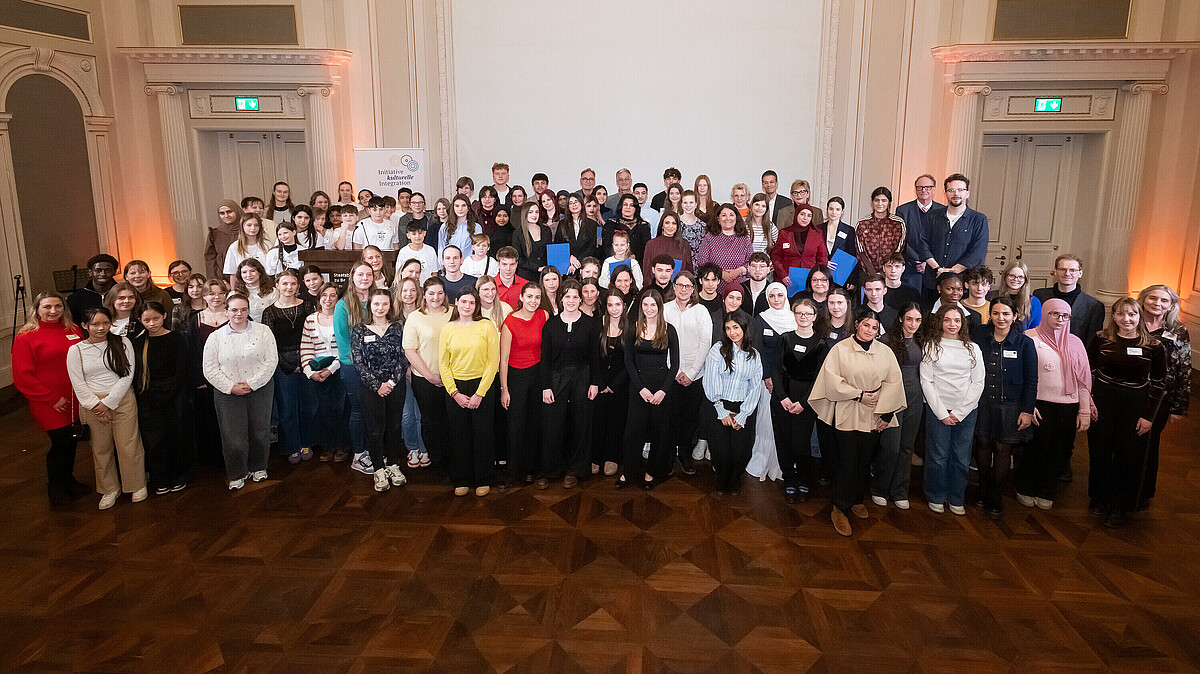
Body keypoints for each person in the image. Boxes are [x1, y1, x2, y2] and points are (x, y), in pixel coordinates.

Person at [808, 309, 905, 536]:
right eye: (866, 325)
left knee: (865, 460)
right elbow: (831, 380)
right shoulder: (840, 349)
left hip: (874, 413)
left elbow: (894, 382)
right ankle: (840, 507)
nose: (870, 330)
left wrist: (886, 414)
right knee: (848, 461)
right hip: (848, 410)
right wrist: (859, 395)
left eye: (874, 327)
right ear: (857, 324)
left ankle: (857, 499)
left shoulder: (885, 352)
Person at [1087, 298, 1167, 528]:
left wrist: (1149, 416)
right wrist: (1088, 402)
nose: (1126, 319)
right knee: (1100, 451)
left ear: (1139, 316)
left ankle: (1119, 504)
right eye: (1121, 314)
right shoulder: (1101, 338)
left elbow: (1159, 383)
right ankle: (1098, 496)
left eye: (1132, 314)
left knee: (1127, 456)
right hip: (1102, 403)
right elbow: (1088, 372)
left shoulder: (1154, 346)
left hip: (1135, 406)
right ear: (1113, 316)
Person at [1013, 299, 1093, 511]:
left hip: (1068, 405)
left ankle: (1046, 490)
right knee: (1035, 449)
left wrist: (1084, 411)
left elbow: (1083, 380)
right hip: (1039, 404)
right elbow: (1019, 375)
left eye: (1065, 315)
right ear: (1045, 313)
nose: (1060, 319)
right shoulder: (1029, 337)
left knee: (1058, 451)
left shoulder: (1075, 342)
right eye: (1054, 314)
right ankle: (1025, 487)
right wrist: (1027, 405)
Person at [12, 292, 89, 505]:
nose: (53, 311)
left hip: (74, 396)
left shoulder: (73, 330)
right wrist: (51, 398)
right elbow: (22, 376)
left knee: (71, 441)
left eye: (58, 306)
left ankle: (68, 481)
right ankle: (56, 488)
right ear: (37, 309)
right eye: (47, 307)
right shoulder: (26, 336)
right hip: (47, 401)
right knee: (60, 442)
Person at [67, 307, 146, 509]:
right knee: (101, 449)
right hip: (93, 403)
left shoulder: (122, 342)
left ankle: (136, 484)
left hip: (122, 399)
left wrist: (109, 403)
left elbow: (127, 375)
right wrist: (97, 405)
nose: (101, 328)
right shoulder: (76, 350)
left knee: (128, 445)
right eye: (95, 324)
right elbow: (78, 382)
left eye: (105, 323)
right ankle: (109, 488)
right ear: (84, 326)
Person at [970, 297, 1037, 518]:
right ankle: (983, 487)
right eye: (996, 313)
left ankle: (996, 492)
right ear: (990, 315)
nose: (1001, 318)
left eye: (1006, 314)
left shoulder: (1025, 343)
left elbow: (1032, 379)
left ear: (1014, 316)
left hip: (1011, 405)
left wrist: (1027, 410)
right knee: (982, 444)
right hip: (982, 402)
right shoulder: (979, 336)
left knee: (1002, 448)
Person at [203, 295, 278, 490]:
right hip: (227, 393)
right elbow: (209, 368)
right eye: (234, 310)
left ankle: (259, 466)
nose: (239, 314)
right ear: (226, 312)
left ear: (248, 310)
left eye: (243, 309)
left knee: (260, 431)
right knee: (233, 436)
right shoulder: (215, 337)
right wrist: (231, 387)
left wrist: (252, 384)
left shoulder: (263, 331)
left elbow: (271, 361)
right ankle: (236, 473)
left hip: (260, 389)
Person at [920, 304, 985, 515]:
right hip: (938, 410)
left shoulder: (973, 348)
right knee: (938, 456)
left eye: (957, 320)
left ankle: (956, 497)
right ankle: (936, 495)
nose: (952, 324)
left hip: (966, 412)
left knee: (961, 456)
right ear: (940, 321)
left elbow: (978, 382)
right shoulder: (931, 346)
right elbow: (926, 381)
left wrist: (959, 413)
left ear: (962, 323)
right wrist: (942, 413)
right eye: (947, 320)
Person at [537, 280, 599, 488]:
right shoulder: (550, 325)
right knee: (553, 423)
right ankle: (551, 469)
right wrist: (546, 386)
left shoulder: (589, 324)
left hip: (583, 377)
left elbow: (594, 356)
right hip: (556, 378)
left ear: (580, 299)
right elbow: (545, 359)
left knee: (581, 423)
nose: (571, 300)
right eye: (567, 296)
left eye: (575, 297)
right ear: (561, 299)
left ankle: (575, 469)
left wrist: (594, 383)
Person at [439, 289, 500, 496]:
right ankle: (461, 478)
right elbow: (443, 363)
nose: (467, 306)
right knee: (459, 434)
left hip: (482, 385)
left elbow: (493, 362)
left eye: (472, 303)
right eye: (464, 302)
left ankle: (483, 477)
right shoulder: (448, 329)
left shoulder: (486, 326)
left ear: (477, 305)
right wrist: (454, 393)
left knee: (483, 433)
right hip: (456, 387)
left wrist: (480, 393)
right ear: (456, 302)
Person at [618, 289, 679, 489]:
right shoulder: (633, 328)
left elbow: (675, 365)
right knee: (632, 432)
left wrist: (663, 391)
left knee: (659, 433)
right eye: (646, 304)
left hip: (661, 388)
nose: (649, 308)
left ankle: (651, 472)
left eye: (653, 305)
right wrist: (640, 388)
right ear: (641, 307)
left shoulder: (669, 330)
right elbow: (628, 361)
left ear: (659, 307)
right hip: (638, 387)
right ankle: (629, 472)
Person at [351, 288, 410, 492]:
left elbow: (404, 356)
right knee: (375, 430)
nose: (380, 308)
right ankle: (378, 469)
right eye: (376, 304)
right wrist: (377, 385)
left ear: (390, 305)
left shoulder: (398, 327)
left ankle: (393, 464)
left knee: (394, 426)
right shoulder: (360, 329)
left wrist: (391, 383)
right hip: (370, 388)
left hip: (396, 385)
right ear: (370, 305)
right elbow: (358, 361)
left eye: (385, 304)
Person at [1137, 285, 1191, 509]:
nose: (1157, 304)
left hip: (1161, 397)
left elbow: (1184, 368)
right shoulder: (1131, 322)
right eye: (1152, 298)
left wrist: (1179, 407)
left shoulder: (1178, 331)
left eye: (1164, 300)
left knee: (1149, 444)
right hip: (1130, 392)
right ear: (1143, 299)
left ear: (1171, 305)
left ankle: (1142, 494)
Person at [772, 298, 829, 503]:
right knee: (783, 441)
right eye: (799, 313)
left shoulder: (822, 344)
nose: (803, 317)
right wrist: (782, 397)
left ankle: (804, 478)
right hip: (782, 398)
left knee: (801, 444)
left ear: (814, 317)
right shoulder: (784, 338)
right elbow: (775, 370)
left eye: (807, 313)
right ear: (794, 315)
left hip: (806, 400)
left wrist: (803, 403)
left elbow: (820, 378)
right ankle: (789, 478)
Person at [132, 302, 192, 495]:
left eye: (156, 318)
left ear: (165, 316)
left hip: (175, 393)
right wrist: (148, 395)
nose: (152, 323)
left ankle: (179, 475)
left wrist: (170, 394)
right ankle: (160, 478)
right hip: (148, 394)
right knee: (154, 439)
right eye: (147, 320)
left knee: (177, 436)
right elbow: (136, 373)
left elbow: (182, 370)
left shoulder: (176, 338)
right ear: (140, 320)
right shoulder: (138, 342)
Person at [702, 309, 763, 496]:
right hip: (718, 404)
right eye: (728, 328)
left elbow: (755, 386)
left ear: (744, 327)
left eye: (735, 327)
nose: (732, 332)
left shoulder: (754, 355)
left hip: (743, 406)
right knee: (720, 450)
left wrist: (743, 414)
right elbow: (710, 380)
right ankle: (722, 478)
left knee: (740, 451)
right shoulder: (718, 350)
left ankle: (735, 479)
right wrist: (721, 410)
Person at [261, 269, 317, 464]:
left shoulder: (308, 306)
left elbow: (313, 334)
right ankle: (292, 445)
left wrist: (305, 362)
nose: (289, 287)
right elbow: (270, 344)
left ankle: (307, 442)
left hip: (308, 360)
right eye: (284, 284)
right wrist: (288, 365)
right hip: (282, 364)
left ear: (298, 286)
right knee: (287, 408)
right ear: (277, 286)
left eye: (293, 283)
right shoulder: (269, 312)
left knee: (309, 406)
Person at [872, 303, 924, 509]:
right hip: (891, 398)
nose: (913, 324)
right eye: (909, 319)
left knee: (907, 447)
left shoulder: (922, 340)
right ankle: (880, 488)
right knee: (890, 447)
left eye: (918, 320)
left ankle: (900, 490)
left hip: (914, 397)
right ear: (901, 318)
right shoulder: (886, 341)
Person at [663, 271, 713, 475]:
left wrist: (691, 373)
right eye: (680, 285)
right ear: (674, 286)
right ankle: (667, 454)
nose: (683, 289)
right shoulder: (665, 309)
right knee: (669, 416)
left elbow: (705, 343)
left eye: (688, 286)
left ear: (693, 289)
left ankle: (684, 452)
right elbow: (661, 341)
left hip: (695, 375)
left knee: (689, 417)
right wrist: (674, 370)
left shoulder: (701, 311)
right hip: (670, 374)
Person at [403, 277, 453, 475]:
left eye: (440, 293)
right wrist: (430, 376)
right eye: (431, 293)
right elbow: (410, 350)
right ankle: (436, 460)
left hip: (452, 377)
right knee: (431, 421)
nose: (436, 297)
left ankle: (451, 458)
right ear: (424, 295)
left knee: (450, 420)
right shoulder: (415, 317)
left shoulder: (454, 312)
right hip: (424, 378)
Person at [500, 282, 547, 486]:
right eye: (529, 296)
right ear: (521, 297)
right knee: (515, 426)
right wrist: (504, 389)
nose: (533, 301)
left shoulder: (543, 316)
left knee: (534, 423)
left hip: (537, 374)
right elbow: (503, 359)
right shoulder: (510, 322)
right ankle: (513, 472)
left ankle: (530, 469)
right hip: (516, 376)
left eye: (537, 297)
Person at [746, 282, 792, 482]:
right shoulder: (761, 319)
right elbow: (758, 350)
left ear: (785, 297)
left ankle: (784, 462)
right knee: (767, 420)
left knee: (786, 422)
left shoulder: (795, 318)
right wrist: (767, 376)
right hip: (768, 381)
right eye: (771, 296)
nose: (776, 300)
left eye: (779, 295)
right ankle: (764, 459)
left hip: (789, 380)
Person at [335, 263, 376, 475]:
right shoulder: (343, 305)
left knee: (373, 410)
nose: (365, 278)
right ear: (352, 277)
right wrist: (360, 365)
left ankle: (372, 450)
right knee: (359, 410)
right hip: (353, 367)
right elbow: (343, 342)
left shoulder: (378, 299)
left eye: (368, 274)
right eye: (360, 274)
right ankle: (359, 455)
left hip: (376, 367)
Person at [920, 174, 989, 301]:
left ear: (967, 193)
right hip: (933, 281)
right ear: (945, 193)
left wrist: (953, 271)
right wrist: (938, 268)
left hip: (963, 284)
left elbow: (978, 251)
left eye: (960, 190)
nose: (956, 194)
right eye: (951, 190)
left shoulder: (978, 220)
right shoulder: (932, 216)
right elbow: (923, 244)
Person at [301, 282, 348, 463]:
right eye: (324, 295)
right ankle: (327, 446)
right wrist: (309, 371)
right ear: (319, 298)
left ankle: (342, 446)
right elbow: (306, 347)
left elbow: (346, 347)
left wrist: (331, 369)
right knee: (324, 410)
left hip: (340, 368)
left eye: (333, 295)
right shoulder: (310, 320)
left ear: (338, 298)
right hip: (317, 371)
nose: (328, 299)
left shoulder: (343, 318)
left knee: (341, 409)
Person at [594, 290, 630, 476]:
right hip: (599, 383)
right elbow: (593, 357)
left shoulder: (631, 328)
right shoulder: (597, 324)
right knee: (598, 421)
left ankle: (612, 457)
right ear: (605, 307)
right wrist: (600, 383)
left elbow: (630, 362)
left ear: (624, 306)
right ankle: (595, 457)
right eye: (610, 305)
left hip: (620, 385)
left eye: (618, 304)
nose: (614, 309)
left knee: (617, 422)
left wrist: (614, 385)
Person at [1032, 254, 1104, 344]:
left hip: (1074, 351)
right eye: (1062, 269)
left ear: (1080, 273)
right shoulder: (1039, 296)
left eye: (1072, 270)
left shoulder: (1094, 306)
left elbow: (1092, 342)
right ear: (1055, 271)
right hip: (1041, 348)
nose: (1067, 274)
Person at [394, 277, 427, 467]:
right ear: (399, 293)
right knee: (407, 414)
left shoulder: (424, 314)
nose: (409, 294)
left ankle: (424, 448)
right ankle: (412, 448)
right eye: (405, 290)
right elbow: (392, 347)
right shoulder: (393, 317)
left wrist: (418, 366)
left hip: (422, 370)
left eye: (413, 290)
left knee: (421, 412)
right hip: (401, 373)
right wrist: (406, 367)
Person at [895, 174, 944, 291]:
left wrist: (928, 261)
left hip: (934, 269)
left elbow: (942, 241)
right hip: (911, 267)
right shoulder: (903, 210)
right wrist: (917, 259)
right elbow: (900, 239)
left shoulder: (943, 211)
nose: (923, 190)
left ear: (933, 189)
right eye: (920, 187)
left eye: (927, 187)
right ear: (915, 189)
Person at [697, 204, 754, 295]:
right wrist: (720, 273)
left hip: (739, 289)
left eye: (731, 215)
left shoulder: (744, 239)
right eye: (724, 215)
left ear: (736, 218)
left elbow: (751, 262)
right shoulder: (709, 237)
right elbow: (702, 260)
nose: (728, 218)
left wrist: (738, 271)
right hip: (714, 288)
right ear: (718, 219)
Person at [855, 187, 907, 279]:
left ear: (889, 202)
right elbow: (860, 252)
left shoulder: (898, 223)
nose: (880, 204)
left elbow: (899, 250)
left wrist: (885, 271)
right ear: (872, 202)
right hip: (867, 274)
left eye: (884, 200)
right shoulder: (862, 223)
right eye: (877, 200)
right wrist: (873, 274)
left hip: (890, 274)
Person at [772, 204, 828, 286]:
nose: (805, 218)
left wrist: (816, 277)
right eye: (802, 214)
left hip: (809, 279)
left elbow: (822, 259)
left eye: (809, 216)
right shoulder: (784, 233)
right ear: (796, 215)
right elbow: (776, 256)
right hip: (787, 279)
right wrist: (782, 275)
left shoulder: (817, 234)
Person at [641, 212, 693, 289]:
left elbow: (688, 271)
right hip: (655, 289)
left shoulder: (684, 245)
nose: (670, 226)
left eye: (674, 223)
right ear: (662, 225)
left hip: (678, 289)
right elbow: (647, 272)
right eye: (667, 223)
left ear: (678, 226)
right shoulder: (651, 244)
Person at [69, 253, 120, 324]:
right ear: (90, 272)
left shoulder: (124, 294)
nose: (103, 274)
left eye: (108, 270)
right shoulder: (75, 298)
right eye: (98, 270)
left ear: (114, 272)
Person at [991, 261, 1041, 330]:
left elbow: (1034, 329)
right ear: (1005, 276)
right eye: (1012, 275)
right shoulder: (992, 296)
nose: (1016, 279)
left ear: (1025, 280)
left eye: (1021, 277)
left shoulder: (1033, 302)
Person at [602, 194, 652, 261]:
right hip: (614, 261)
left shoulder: (643, 226)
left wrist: (634, 257)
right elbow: (607, 246)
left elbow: (646, 248)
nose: (628, 207)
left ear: (635, 208)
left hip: (636, 262)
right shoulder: (611, 224)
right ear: (621, 207)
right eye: (625, 204)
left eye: (631, 205)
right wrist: (619, 257)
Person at [224, 214, 272, 283]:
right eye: (249, 225)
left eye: (256, 225)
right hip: (243, 285)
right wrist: (234, 289)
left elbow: (272, 271)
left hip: (264, 284)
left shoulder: (267, 245)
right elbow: (233, 274)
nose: (253, 228)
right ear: (242, 226)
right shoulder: (234, 247)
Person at [557, 194, 598, 272]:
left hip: (586, 265)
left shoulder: (593, 225)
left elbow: (592, 247)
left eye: (576, 202)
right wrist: (569, 257)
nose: (574, 205)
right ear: (568, 207)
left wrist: (578, 261)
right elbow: (558, 245)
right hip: (568, 265)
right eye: (570, 203)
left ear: (581, 204)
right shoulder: (562, 224)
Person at [823, 197, 859, 287]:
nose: (834, 212)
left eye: (837, 209)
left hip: (840, 275)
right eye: (831, 209)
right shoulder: (819, 228)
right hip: (822, 273)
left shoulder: (849, 230)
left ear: (842, 211)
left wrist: (851, 279)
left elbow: (852, 255)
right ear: (827, 210)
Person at [205, 200, 244, 280]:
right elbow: (210, 260)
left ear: (236, 211)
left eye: (229, 212)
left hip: (247, 276)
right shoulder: (215, 234)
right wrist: (218, 281)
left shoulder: (248, 230)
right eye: (222, 213)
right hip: (223, 279)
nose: (226, 216)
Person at [513, 203, 552, 281]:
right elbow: (518, 258)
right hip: (525, 276)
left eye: (537, 212)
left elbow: (551, 252)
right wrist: (537, 268)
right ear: (525, 214)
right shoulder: (518, 233)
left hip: (545, 276)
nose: (534, 215)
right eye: (530, 212)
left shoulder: (546, 230)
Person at [232, 259, 278, 323]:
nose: (248, 275)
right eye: (244, 272)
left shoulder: (272, 291)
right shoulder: (234, 294)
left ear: (260, 272)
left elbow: (275, 315)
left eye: (252, 271)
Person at [679, 190, 707, 268]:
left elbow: (704, 249)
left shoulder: (702, 225)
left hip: (697, 266)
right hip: (679, 265)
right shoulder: (675, 224)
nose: (688, 205)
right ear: (681, 204)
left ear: (696, 204)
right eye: (685, 202)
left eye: (691, 202)